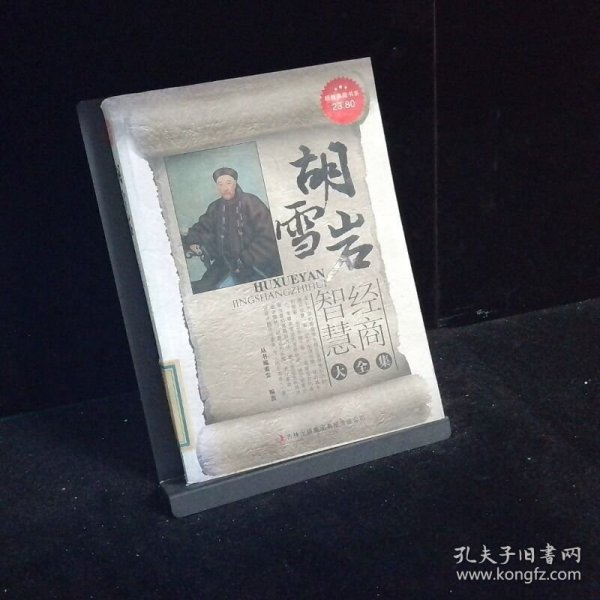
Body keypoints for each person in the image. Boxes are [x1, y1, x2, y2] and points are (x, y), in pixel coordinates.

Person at [182, 167, 283, 293]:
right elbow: (203, 227)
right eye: (220, 184)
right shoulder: (215, 207)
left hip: (254, 265)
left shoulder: (251, 202)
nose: (225, 188)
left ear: (235, 183)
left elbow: (268, 235)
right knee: (200, 290)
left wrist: (245, 258)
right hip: (224, 265)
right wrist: (193, 240)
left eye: (228, 183)